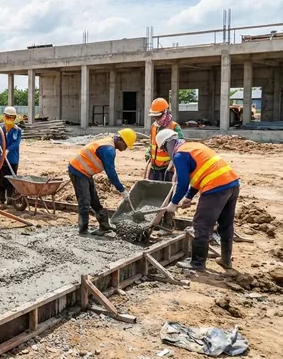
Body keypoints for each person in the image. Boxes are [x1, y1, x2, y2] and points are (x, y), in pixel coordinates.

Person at [156, 129, 240, 271]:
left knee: (201, 224)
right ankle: (226, 260)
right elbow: (199, 174)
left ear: (168, 143)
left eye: (164, 148)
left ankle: (197, 263)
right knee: (225, 224)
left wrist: (173, 203)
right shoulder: (193, 147)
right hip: (232, 184)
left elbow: (182, 183)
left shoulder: (180, 155)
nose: (165, 152)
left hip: (215, 188)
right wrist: (189, 196)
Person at [68, 128, 136, 235]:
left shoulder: (109, 144)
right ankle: (83, 230)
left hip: (85, 173)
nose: (125, 148)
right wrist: (122, 190)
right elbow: (111, 174)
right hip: (78, 171)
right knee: (84, 202)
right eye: (126, 145)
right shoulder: (108, 150)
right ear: (120, 140)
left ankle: (104, 226)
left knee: (94, 200)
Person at [146, 98, 183, 181]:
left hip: (168, 168)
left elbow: (180, 148)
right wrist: (148, 151)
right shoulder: (153, 126)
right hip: (154, 167)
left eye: (158, 116)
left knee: (167, 190)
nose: (156, 119)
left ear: (165, 112)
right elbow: (152, 143)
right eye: (154, 116)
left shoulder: (174, 127)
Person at [0, 106, 23, 205]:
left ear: (14, 118)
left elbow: (16, 143)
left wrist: (8, 150)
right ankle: (1, 199)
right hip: (1, 159)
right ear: (4, 117)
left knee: (11, 180)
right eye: (8, 117)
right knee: (2, 180)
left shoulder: (17, 130)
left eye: (12, 118)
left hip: (12, 159)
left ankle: (10, 200)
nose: (9, 120)